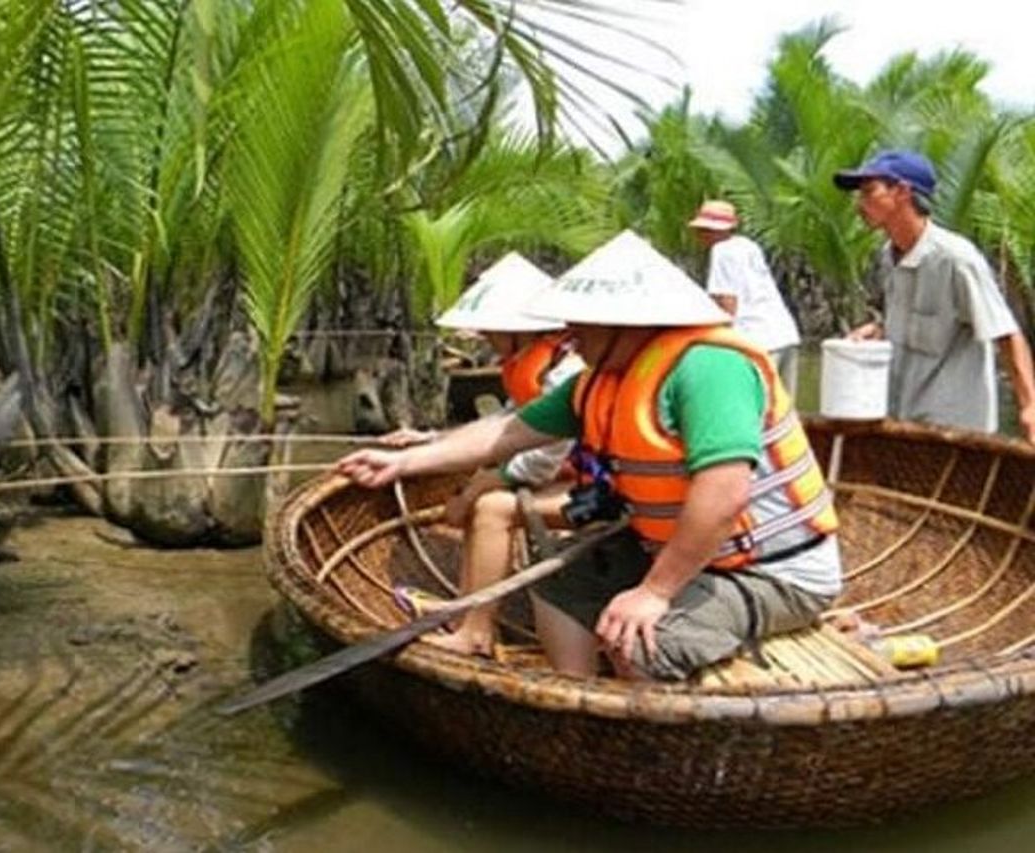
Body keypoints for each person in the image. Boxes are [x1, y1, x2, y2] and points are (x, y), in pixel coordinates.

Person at [338, 231, 842, 680]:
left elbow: (724, 494)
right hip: (682, 552)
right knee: (559, 583)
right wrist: (405, 462)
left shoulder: (709, 369)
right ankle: (581, 698)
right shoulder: (598, 380)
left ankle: (648, 721)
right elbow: (508, 432)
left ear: (630, 322)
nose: (568, 332)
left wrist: (654, 593)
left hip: (772, 570)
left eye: (582, 321)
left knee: (644, 642)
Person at [389, 252, 584, 656]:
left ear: (518, 330)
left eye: (491, 329)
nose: (485, 337)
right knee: (481, 493)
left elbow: (545, 456)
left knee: (491, 507)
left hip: (597, 484)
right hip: (574, 475)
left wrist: (482, 484)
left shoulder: (568, 369)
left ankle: (476, 632)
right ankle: (465, 609)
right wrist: (433, 440)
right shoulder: (540, 363)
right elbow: (509, 422)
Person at [833, 149, 1035, 440]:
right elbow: (909, 320)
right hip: (903, 420)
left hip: (954, 430)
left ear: (902, 192)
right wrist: (879, 330)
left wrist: (1029, 407)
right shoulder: (888, 258)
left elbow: (1006, 334)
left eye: (869, 192)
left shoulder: (956, 260)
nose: (859, 204)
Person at [689, 200, 802, 395]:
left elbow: (727, 301)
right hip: (784, 333)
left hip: (757, 338)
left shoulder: (721, 251)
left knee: (756, 403)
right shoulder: (747, 246)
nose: (699, 236)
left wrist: (716, 341)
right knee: (784, 405)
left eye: (702, 231)